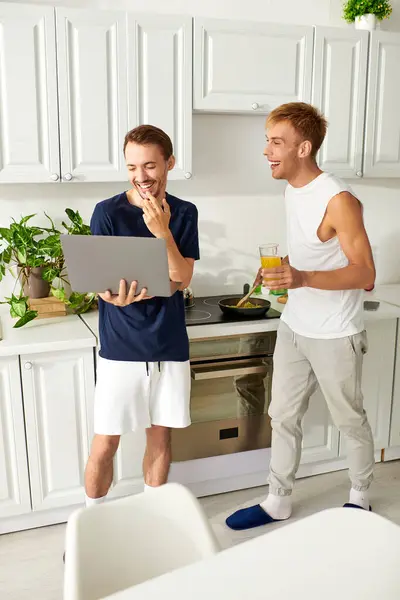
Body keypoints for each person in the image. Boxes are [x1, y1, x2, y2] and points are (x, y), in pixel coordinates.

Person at [226, 102, 376, 531]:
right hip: (294, 326)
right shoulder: (292, 189)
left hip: (335, 333)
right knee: (282, 415)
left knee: (350, 419)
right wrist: (286, 266)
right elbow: (316, 251)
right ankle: (278, 499)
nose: (267, 151)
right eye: (267, 141)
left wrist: (303, 275)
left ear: (304, 148)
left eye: (276, 142)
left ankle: (361, 498)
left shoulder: (340, 200)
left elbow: (365, 273)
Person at [84, 124, 200, 505]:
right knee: (106, 440)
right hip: (121, 345)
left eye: (150, 166)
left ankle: (154, 516)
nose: (141, 177)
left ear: (170, 162)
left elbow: (181, 278)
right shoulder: (107, 212)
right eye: (132, 167)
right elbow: (101, 280)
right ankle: (92, 520)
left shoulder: (184, 213)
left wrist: (161, 232)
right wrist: (109, 295)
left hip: (168, 342)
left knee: (161, 437)